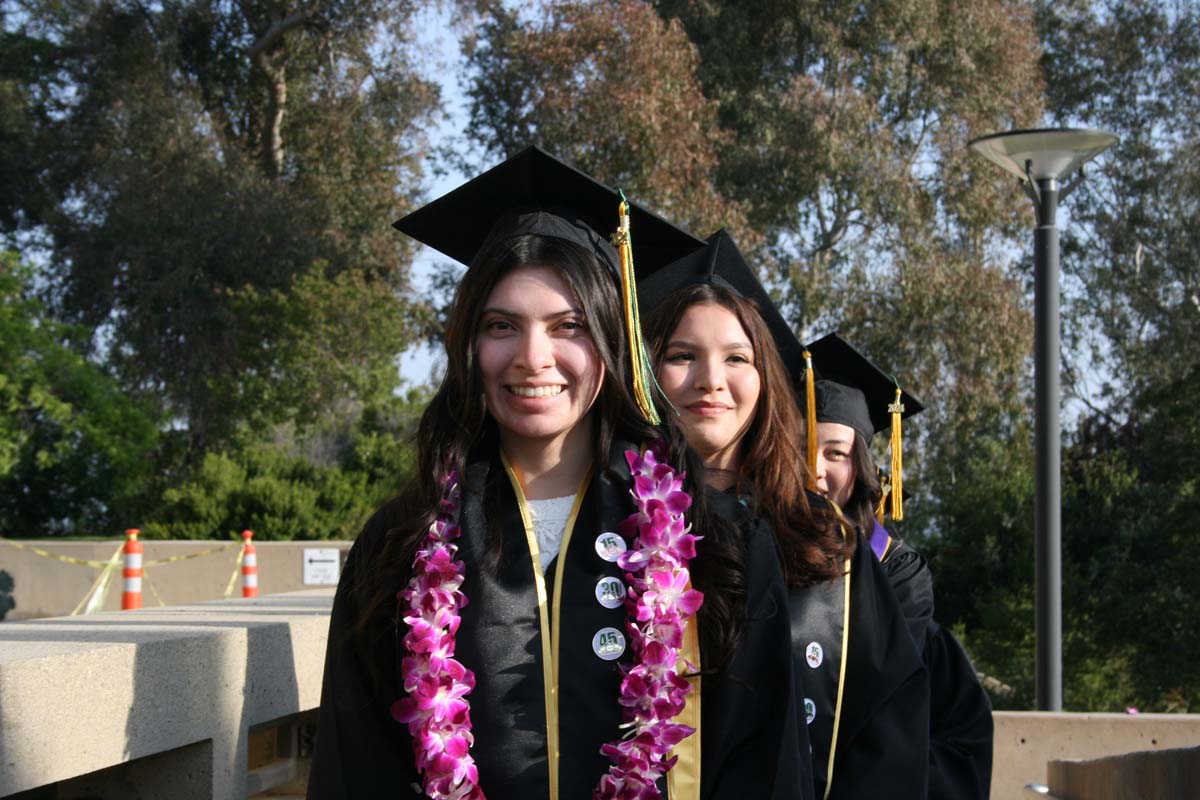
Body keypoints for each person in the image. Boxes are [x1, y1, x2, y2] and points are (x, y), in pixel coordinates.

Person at [307, 148, 808, 800]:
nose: (533, 357)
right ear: (469, 346)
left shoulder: (716, 543)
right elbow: (356, 771)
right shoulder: (400, 546)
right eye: (501, 326)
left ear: (609, 340)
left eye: (567, 326)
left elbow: (765, 770)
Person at [640, 230, 929, 800]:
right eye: (681, 356)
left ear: (765, 377)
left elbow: (886, 734)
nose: (711, 381)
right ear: (647, 371)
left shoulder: (826, 542)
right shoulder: (609, 525)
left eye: (736, 358)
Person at [806, 332, 994, 799]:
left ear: (862, 467)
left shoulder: (898, 571)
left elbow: (877, 695)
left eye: (835, 453)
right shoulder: (758, 545)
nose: (814, 470)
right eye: (801, 446)